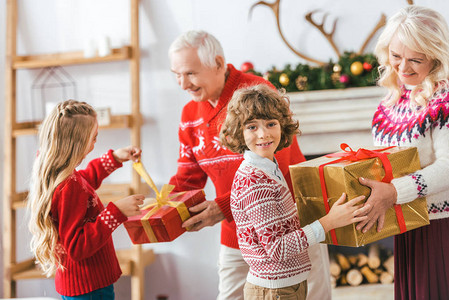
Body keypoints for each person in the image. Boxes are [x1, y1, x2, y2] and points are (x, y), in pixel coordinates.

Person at [167, 30, 331, 300]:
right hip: (237, 234)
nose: (183, 84)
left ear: (218, 64)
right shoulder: (189, 115)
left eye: (190, 74)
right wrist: (158, 208)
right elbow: (187, 179)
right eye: (177, 74)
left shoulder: (258, 94)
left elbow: (279, 171)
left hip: (293, 228)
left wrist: (221, 207)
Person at [219, 84, 368, 299]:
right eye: (252, 127)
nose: (264, 134)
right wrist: (329, 222)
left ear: (282, 126)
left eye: (271, 124)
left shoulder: (269, 168)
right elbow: (277, 249)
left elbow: (282, 225)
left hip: (286, 284)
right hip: (274, 290)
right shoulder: (255, 181)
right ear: (239, 132)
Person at [356, 5, 449, 300]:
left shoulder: (443, 99)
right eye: (396, 56)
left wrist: (394, 192)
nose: (403, 67)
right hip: (405, 225)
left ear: (435, 57)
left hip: (439, 228)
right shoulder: (391, 101)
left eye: (415, 60)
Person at [27, 100, 145, 299]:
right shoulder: (68, 186)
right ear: (78, 143)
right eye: (94, 137)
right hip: (89, 288)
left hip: (84, 284)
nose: (95, 143)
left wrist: (114, 158)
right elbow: (77, 247)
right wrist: (116, 212)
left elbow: (86, 181)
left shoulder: (65, 177)